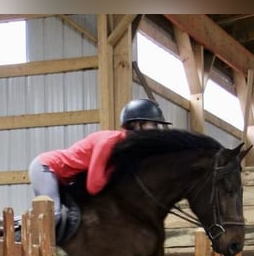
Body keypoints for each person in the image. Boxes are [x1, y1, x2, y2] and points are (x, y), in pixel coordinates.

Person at [28, 98, 171, 239]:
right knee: (54, 215)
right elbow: (94, 186)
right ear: (137, 125)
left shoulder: (125, 149)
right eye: (154, 125)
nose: (156, 130)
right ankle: (32, 248)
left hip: (66, 180)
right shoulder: (109, 142)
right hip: (46, 167)